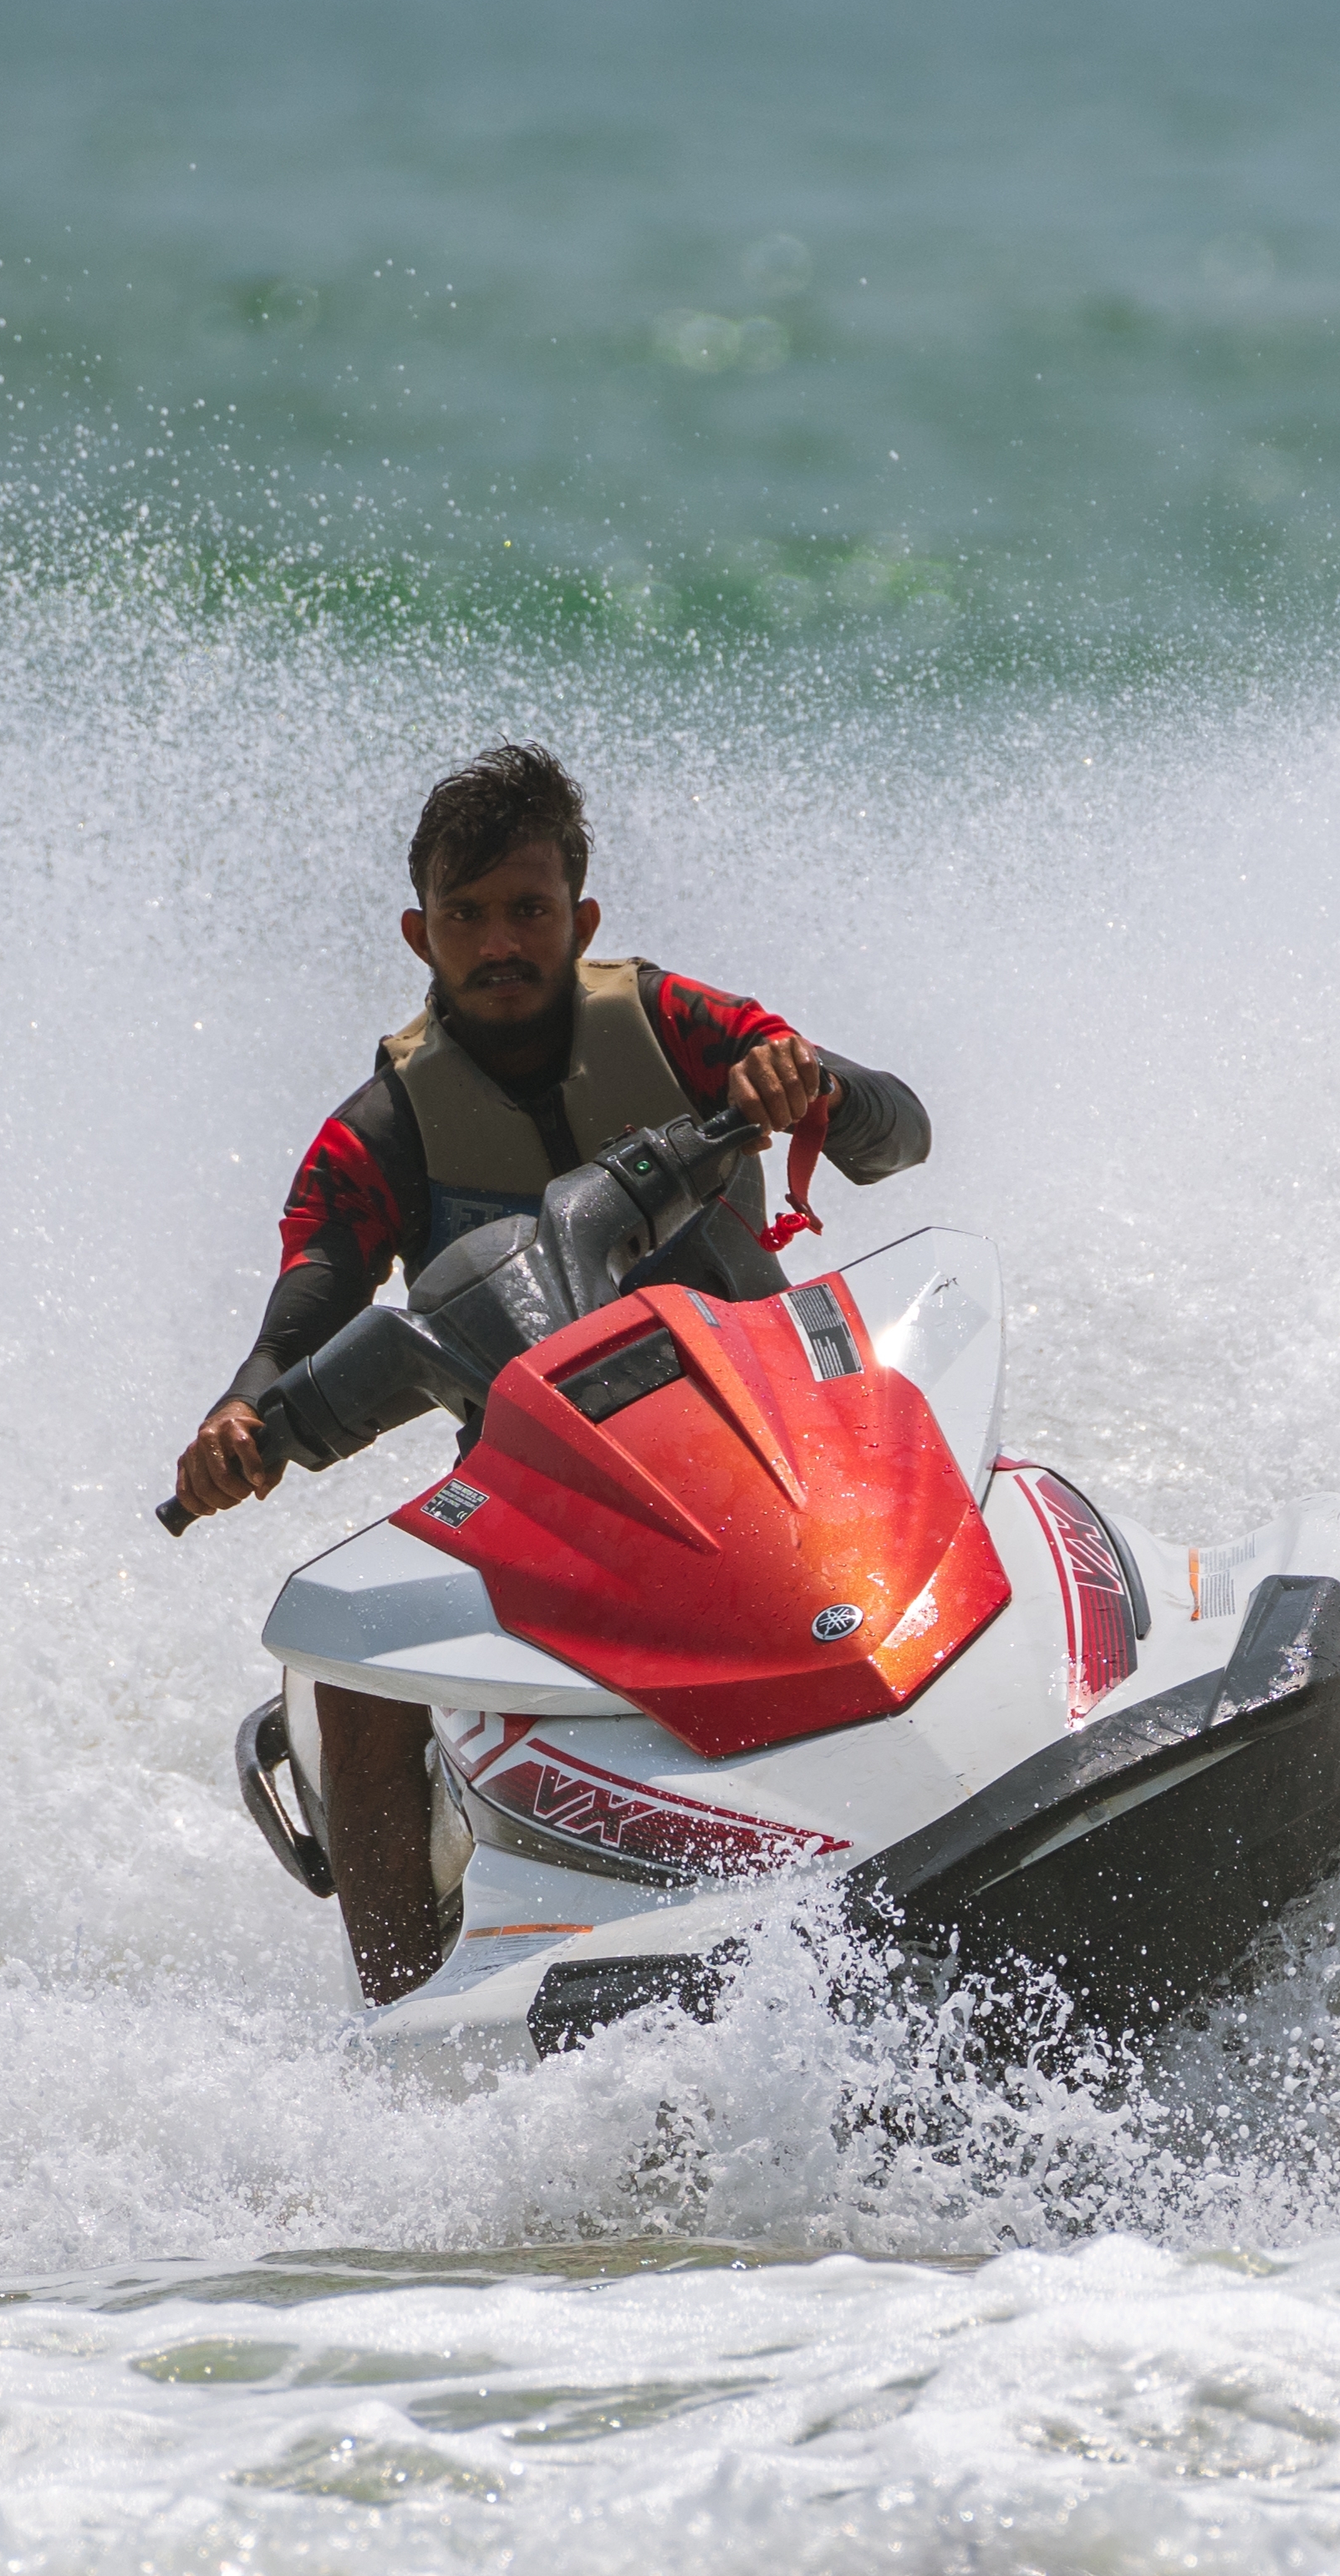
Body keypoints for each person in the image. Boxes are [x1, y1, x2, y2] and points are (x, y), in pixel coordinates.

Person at [173, 742, 930, 2003]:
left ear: (581, 916)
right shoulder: (380, 1130)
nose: (500, 943)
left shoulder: (683, 1024)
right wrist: (238, 1416)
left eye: (527, 910)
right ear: (420, 932)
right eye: (466, 917)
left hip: (778, 1409)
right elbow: (300, 1316)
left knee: (964, 1448)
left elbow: (899, 1133)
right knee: (350, 1674)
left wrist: (818, 1087)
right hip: (541, 1486)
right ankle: (412, 2014)